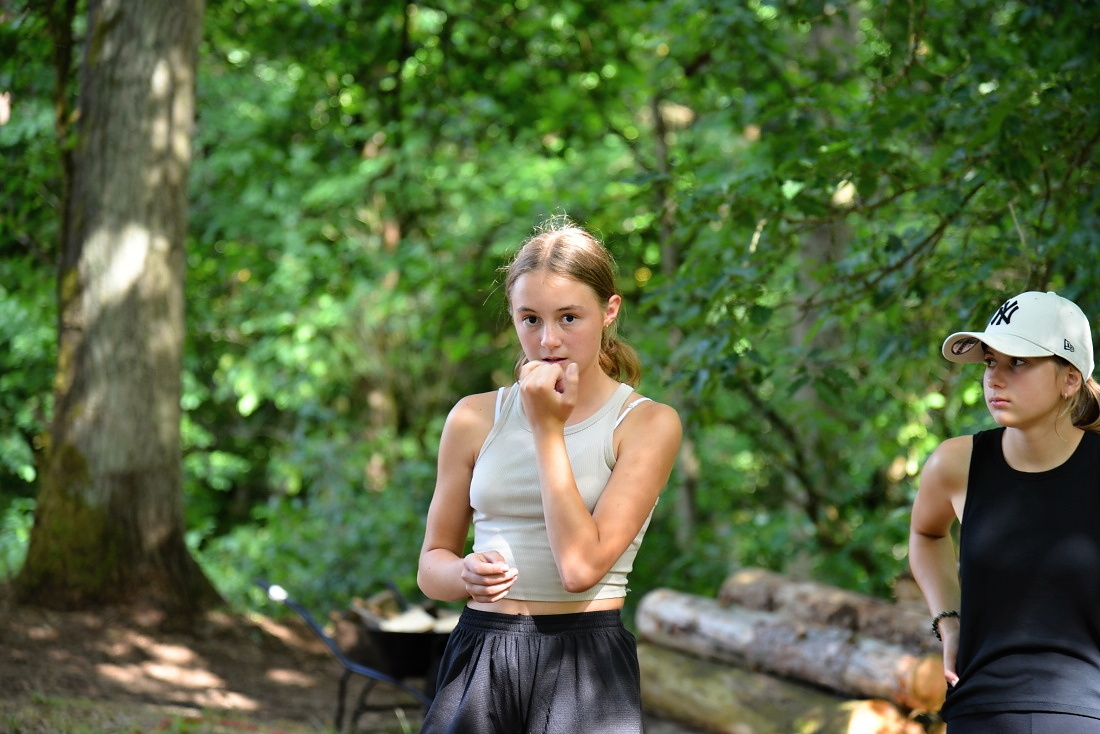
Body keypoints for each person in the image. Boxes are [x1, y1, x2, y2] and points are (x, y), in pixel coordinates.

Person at [416, 217, 683, 734]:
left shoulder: (646, 423)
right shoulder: (473, 416)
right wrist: (464, 574)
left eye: (569, 317)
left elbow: (580, 570)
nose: (548, 339)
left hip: (585, 663)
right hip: (480, 653)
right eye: (530, 319)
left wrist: (546, 429)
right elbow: (431, 566)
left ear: (609, 310)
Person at [908, 290, 1100, 733]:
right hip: (977, 711)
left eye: (1017, 362)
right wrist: (948, 621)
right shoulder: (956, 464)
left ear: (1070, 379)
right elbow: (926, 534)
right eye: (990, 362)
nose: (994, 378)